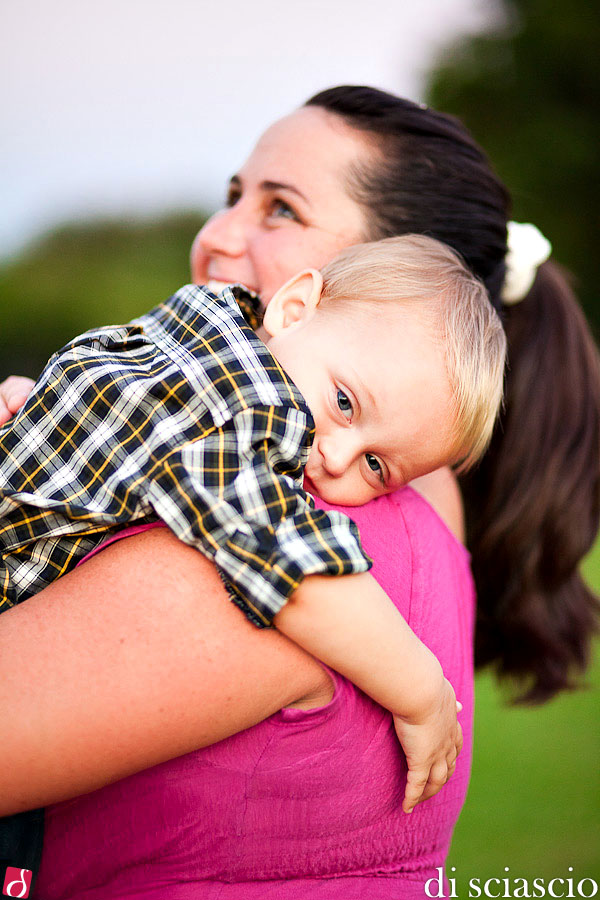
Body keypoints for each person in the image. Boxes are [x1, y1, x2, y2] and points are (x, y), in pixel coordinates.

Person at [1, 86, 598, 899]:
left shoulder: (311, 524)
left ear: (405, 279)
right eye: (234, 196)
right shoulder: (373, 508)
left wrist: (419, 689)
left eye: (281, 209)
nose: (215, 239)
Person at [0, 234, 505, 801]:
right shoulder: (252, 406)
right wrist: (421, 690)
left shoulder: (200, 322)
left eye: (375, 465)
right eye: (345, 403)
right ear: (293, 310)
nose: (334, 458)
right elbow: (291, 565)